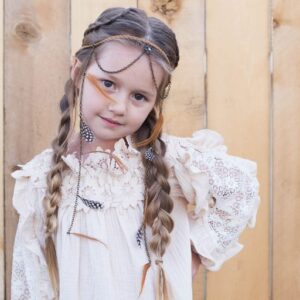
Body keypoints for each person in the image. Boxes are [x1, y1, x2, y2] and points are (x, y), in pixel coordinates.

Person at [10, 6, 260, 300]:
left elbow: (241, 190)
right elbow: (31, 282)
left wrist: (193, 254)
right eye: (108, 84)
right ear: (78, 73)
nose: (119, 106)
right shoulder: (41, 179)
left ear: (154, 102)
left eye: (139, 96)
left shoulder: (167, 161)